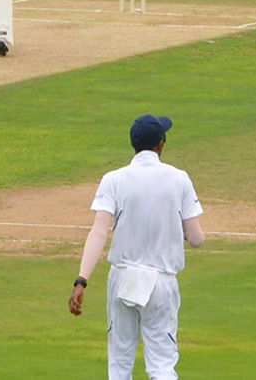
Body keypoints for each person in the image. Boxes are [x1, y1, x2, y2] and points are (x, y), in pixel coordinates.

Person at [68, 114, 205, 380]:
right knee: (162, 365)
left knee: (119, 365)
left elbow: (98, 232)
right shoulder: (179, 178)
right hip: (161, 283)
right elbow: (197, 238)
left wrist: (81, 280)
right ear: (160, 144)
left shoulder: (113, 179)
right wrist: (184, 233)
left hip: (122, 279)